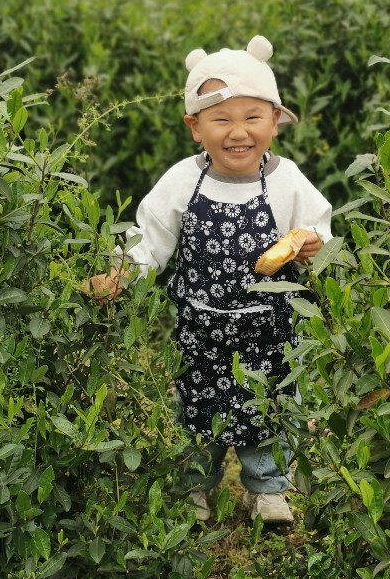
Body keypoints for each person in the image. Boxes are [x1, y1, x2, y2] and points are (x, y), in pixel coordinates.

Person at [87, 36, 333, 524]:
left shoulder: (286, 180)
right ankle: (195, 488)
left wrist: (311, 245)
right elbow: (151, 239)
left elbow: (319, 231)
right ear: (195, 127)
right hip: (201, 331)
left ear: (275, 122)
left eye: (252, 118)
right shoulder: (183, 180)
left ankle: (267, 490)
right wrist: (121, 272)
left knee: (268, 408)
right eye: (221, 120)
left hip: (269, 329)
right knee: (199, 411)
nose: (238, 132)